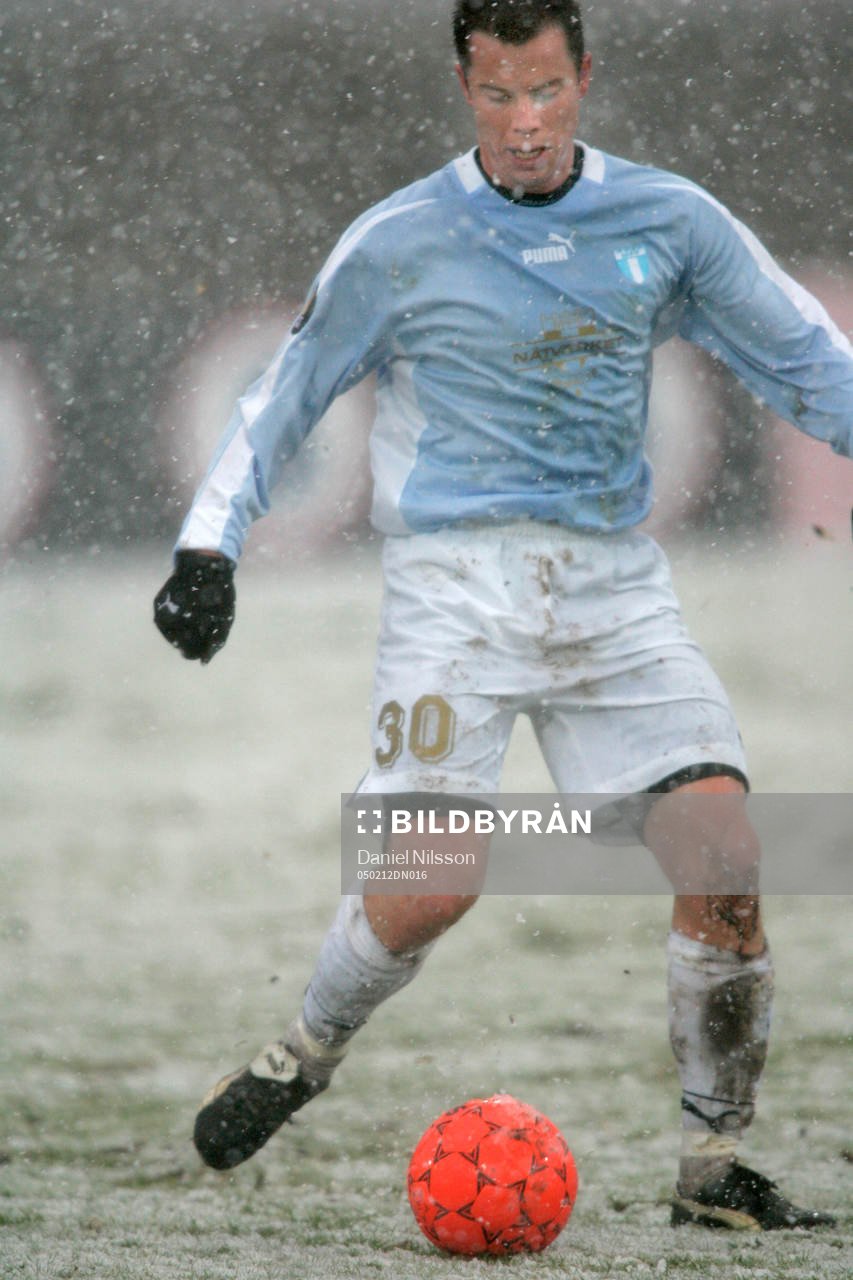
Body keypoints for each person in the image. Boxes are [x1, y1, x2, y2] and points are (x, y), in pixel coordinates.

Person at [154, 0, 851, 1231]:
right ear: (463, 88)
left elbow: (805, 356)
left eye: (545, 92)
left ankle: (712, 1161)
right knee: (429, 882)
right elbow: (284, 397)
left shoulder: (667, 220)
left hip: (614, 593)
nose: (524, 125)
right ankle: (301, 1050)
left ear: (583, 76)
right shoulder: (399, 240)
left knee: (726, 855)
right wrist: (209, 544)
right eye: (496, 96)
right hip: (454, 600)